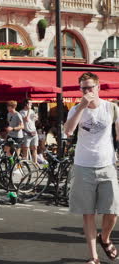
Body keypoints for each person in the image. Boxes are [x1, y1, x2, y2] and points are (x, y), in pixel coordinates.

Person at [64, 72, 119, 264]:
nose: (87, 91)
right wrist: (81, 107)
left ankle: (105, 238)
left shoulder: (111, 107)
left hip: (107, 165)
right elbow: (69, 131)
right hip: (83, 166)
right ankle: (94, 257)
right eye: (84, 88)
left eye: (90, 87)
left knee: (113, 211)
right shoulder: (75, 109)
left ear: (98, 87)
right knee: (88, 213)